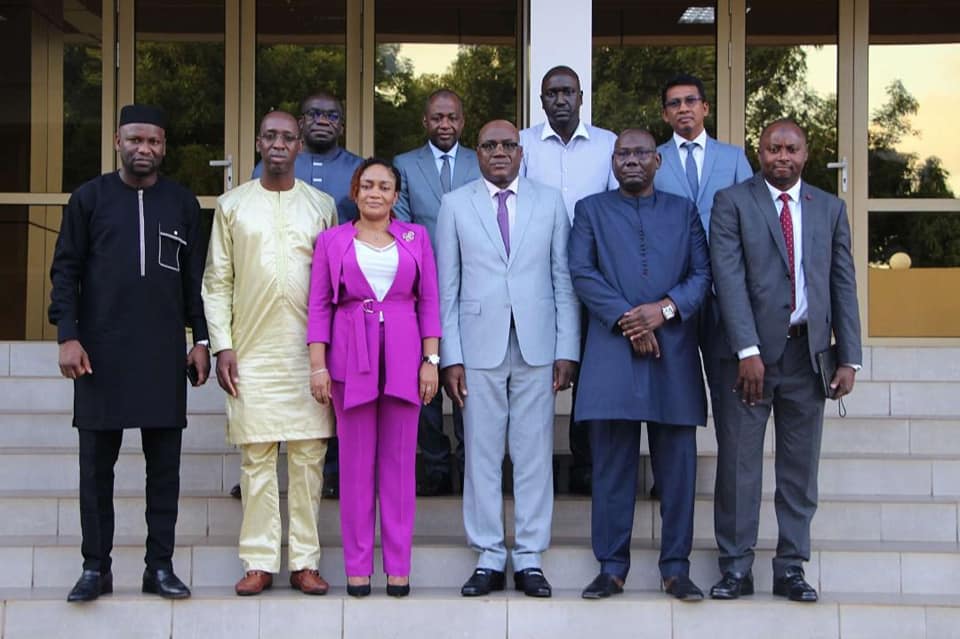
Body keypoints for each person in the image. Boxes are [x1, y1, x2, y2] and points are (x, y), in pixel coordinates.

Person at [49, 104, 210, 603]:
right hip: (100, 356)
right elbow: (65, 271)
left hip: (163, 356)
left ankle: (158, 567)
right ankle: (95, 568)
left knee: (164, 473)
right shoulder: (89, 199)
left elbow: (195, 281)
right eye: (136, 140)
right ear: (118, 140)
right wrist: (67, 335)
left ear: (164, 146)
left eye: (154, 142)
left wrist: (201, 340)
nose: (145, 150)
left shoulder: (182, 203)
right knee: (96, 472)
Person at [708, 119, 862, 603]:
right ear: (760, 151)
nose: (782, 157)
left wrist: (849, 357)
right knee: (739, 466)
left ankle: (791, 567)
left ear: (806, 153)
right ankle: (735, 567)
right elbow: (727, 281)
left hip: (808, 356)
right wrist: (747, 350)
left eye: (791, 149)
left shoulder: (830, 208)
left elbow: (842, 284)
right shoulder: (732, 202)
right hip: (746, 359)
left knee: (799, 468)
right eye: (773, 148)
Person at [436, 120, 580, 598]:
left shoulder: (550, 202)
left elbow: (563, 280)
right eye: (489, 146)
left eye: (508, 145)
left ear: (522, 153)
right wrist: (448, 357)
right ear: (476, 154)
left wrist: (567, 348)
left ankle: (531, 555)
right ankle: (490, 554)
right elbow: (447, 289)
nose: (499, 152)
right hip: (476, 347)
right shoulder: (455, 205)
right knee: (480, 448)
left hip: (538, 346)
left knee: (534, 450)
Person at [569, 129, 711, 601]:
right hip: (612, 352)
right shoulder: (590, 210)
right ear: (612, 162)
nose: (631, 161)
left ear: (657, 162)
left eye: (641, 153)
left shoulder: (683, 210)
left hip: (672, 352)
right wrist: (631, 319)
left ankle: (676, 568)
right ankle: (611, 568)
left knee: (677, 469)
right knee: (611, 467)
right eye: (623, 154)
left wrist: (664, 310)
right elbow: (582, 272)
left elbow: (701, 273)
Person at [203, 111, 338, 597]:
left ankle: (304, 561)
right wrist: (223, 345)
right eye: (270, 136)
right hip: (253, 352)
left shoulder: (320, 205)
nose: (278, 144)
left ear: (300, 145)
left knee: (307, 459)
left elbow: (333, 286)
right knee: (256, 458)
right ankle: (258, 560)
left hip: (308, 353)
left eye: (287, 137)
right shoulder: (232, 205)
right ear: (258, 142)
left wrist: (330, 356)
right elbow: (217, 282)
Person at [307, 158, 441, 598]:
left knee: (401, 469)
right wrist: (318, 365)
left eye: (384, 186)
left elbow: (429, 302)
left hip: (405, 358)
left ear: (396, 196)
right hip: (351, 360)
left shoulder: (415, 237)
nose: (375, 193)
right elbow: (320, 306)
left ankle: (399, 568)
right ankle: (358, 568)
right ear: (355, 190)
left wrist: (431, 360)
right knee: (356, 468)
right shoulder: (331, 241)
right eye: (367, 185)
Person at [249, 91, 361, 499]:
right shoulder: (265, 167)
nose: (322, 121)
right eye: (313, 114)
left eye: (332, 115)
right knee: (272, 385)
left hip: (333, 294)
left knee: (326, 387)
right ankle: (261, 471)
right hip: (272, 297)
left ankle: (329, 472)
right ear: (299, 124)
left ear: (342, 125)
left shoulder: (356, 169)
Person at [652, 74, 754, 499]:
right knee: (670, 394)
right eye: (673, 103)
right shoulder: (651, 159)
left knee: (725, 394)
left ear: (706, 107)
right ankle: (669, 480)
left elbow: (753, 218)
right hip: (670, 295)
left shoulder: (732, 158)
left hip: (723, 296)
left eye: (690, 101)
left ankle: (732, 484)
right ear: (664, 113)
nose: (683, 109)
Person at [519, 65, 617, 495]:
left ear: (582, 96)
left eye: (568, 92)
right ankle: (531, 469)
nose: (560, 99)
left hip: (596, 275)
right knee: (539, 368)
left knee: (593, 374)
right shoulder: (521, 144)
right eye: (552, 93)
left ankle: (587, 466)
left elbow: (617, 207)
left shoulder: (608, 145)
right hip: (536, 277)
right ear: (541, 101)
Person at [393, 88, 480, 496]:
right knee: (423, 382)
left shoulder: (479, 161)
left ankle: (469, 465)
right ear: (425, 122)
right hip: (419, 291)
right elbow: (404, 227)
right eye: (437, 118)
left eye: (452, 118)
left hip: (472, 288)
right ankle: (436, 466)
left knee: (466, 382)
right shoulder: (404, 165)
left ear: (463, 121)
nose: (445, 125)